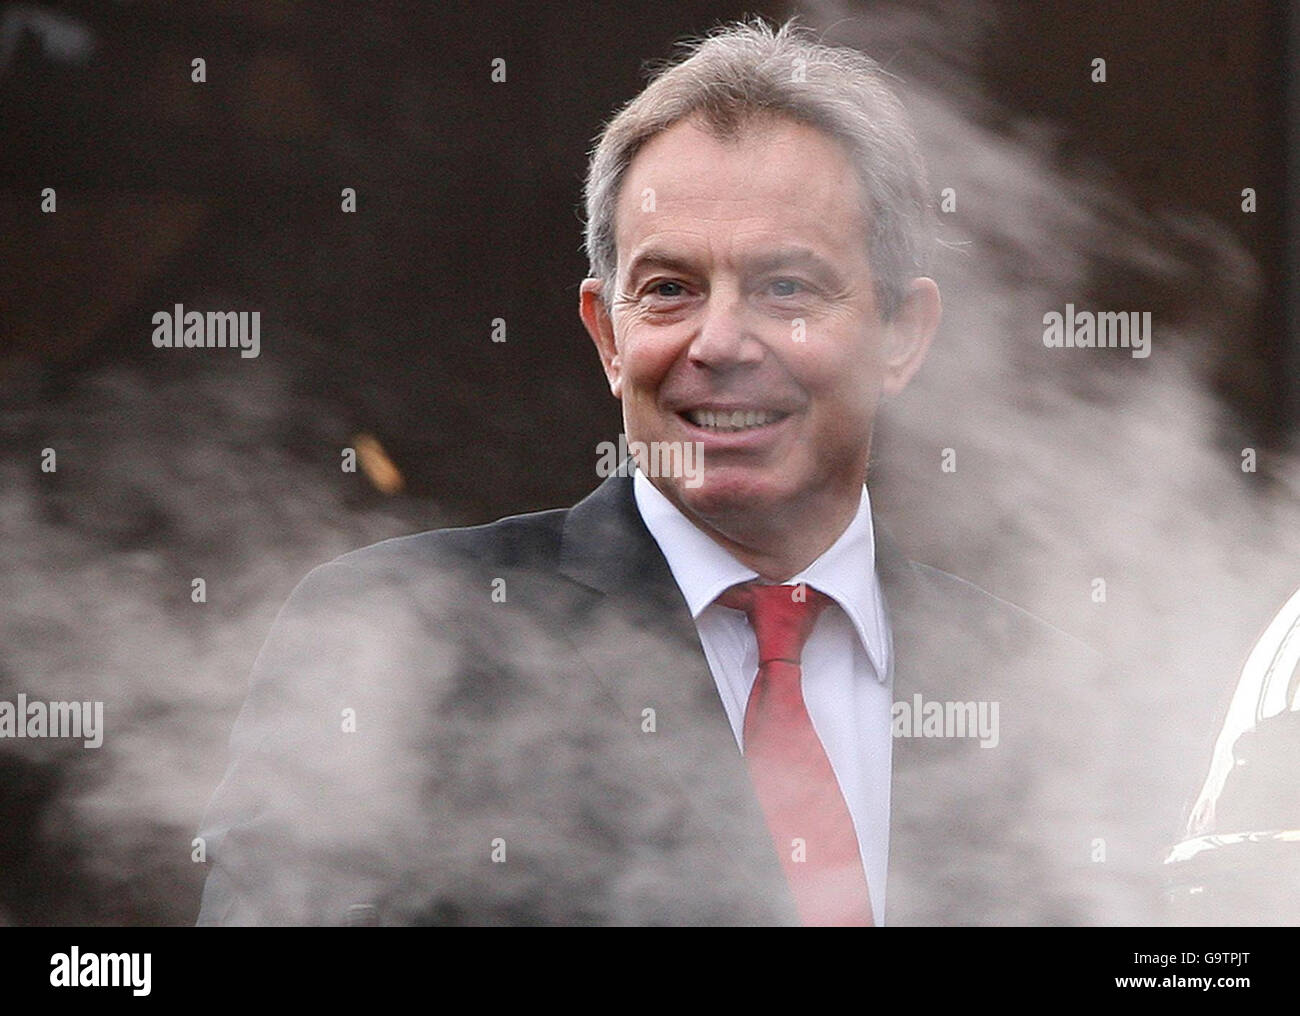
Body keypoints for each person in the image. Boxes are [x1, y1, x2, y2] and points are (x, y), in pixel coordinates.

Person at [196, 19, 1120, 926]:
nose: (719, 343)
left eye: (787, 287)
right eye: (670, 288)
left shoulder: (1045, 697)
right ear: (607, 335)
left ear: (901, 336)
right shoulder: (398, 639)